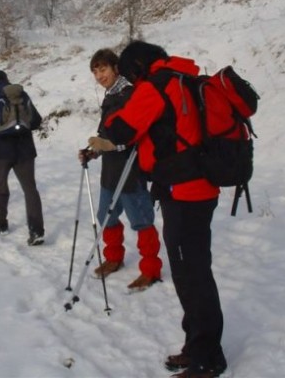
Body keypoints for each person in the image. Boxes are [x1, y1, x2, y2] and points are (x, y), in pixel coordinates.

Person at [88, 41, 227, 378]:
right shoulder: (184, 78)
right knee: (193, 272)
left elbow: (123, 129)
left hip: (185, 191)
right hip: (197, 187)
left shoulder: (156, 86)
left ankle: (207, 359)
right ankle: (197, 346)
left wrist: (106, 135)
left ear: (137, 66)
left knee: (192, 276)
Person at [80, 48, 162, 291]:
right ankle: (114, 258)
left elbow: (135, 134)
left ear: (116, 68)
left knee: (142, 221)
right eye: (95, 71)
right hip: (110, 172)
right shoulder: (110, 96)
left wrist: (109, 144)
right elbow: (106, 133)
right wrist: (93, 150)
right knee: (107, 217)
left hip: (130, 171)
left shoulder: (130, 94)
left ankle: (150, 270)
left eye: (103, 69)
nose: (99, 75)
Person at [0, 70, 45, 246]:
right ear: (7, 78)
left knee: (0, 187)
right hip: (25, 148)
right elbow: (36, 121)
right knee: (30, 189)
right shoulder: (21, 93)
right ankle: (36, 231)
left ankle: (0, 225)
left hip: (0, 149)